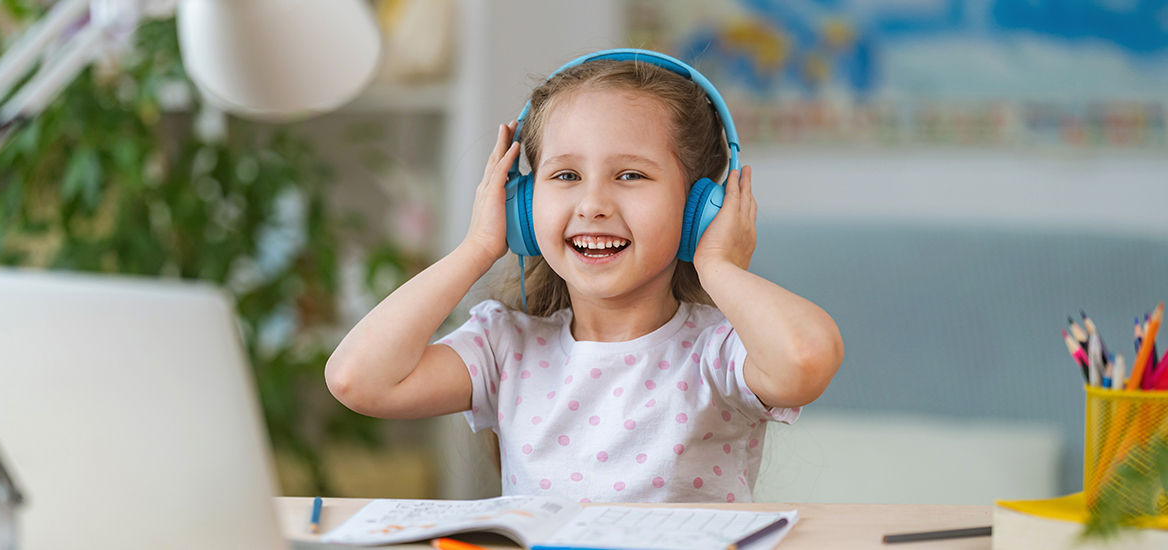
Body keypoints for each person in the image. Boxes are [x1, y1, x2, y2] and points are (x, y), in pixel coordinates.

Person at [326, 49, 843, 503]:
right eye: (566, 176)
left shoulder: (719, 353)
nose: (593, 204)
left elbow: (806, 357)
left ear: (698, 208)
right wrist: (478, 247)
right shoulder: (504, 348)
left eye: (631, 175)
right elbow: (357, 379)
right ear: (524, 209)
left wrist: (717, 264)